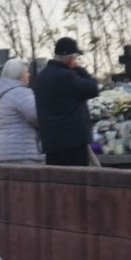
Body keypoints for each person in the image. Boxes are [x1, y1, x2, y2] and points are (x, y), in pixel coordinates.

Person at [33, 37, 100, 166]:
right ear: (70, 58)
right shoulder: (67, 76)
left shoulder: (41, 77)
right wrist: (79, 69)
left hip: (51, 143)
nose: (76, 61)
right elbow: (92, 89)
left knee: (57, 181)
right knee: (77, 182)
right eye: (75, 58)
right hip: (72, 143)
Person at [0, 58, 43, 164]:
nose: (28, 75)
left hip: (2, 151)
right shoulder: (21, 93)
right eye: (26, 72)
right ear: (20, 75)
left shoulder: (2, 95)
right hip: (21, 152)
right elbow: (36, 117)